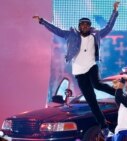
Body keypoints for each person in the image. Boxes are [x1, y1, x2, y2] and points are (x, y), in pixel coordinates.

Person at [33, 1, 120, 138]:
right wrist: (42, 21)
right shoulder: (71, 35)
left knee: (97, 84)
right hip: (79, 71)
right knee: (92, 101)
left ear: (90, 26)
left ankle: (118, 94)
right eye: (82, 24)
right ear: (79, 26)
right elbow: (56, 30)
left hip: (91, 66)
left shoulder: (96, 35)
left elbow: (108, 27)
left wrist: (114, 11)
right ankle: (104, 127)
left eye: (87, 24)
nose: (85, 26)